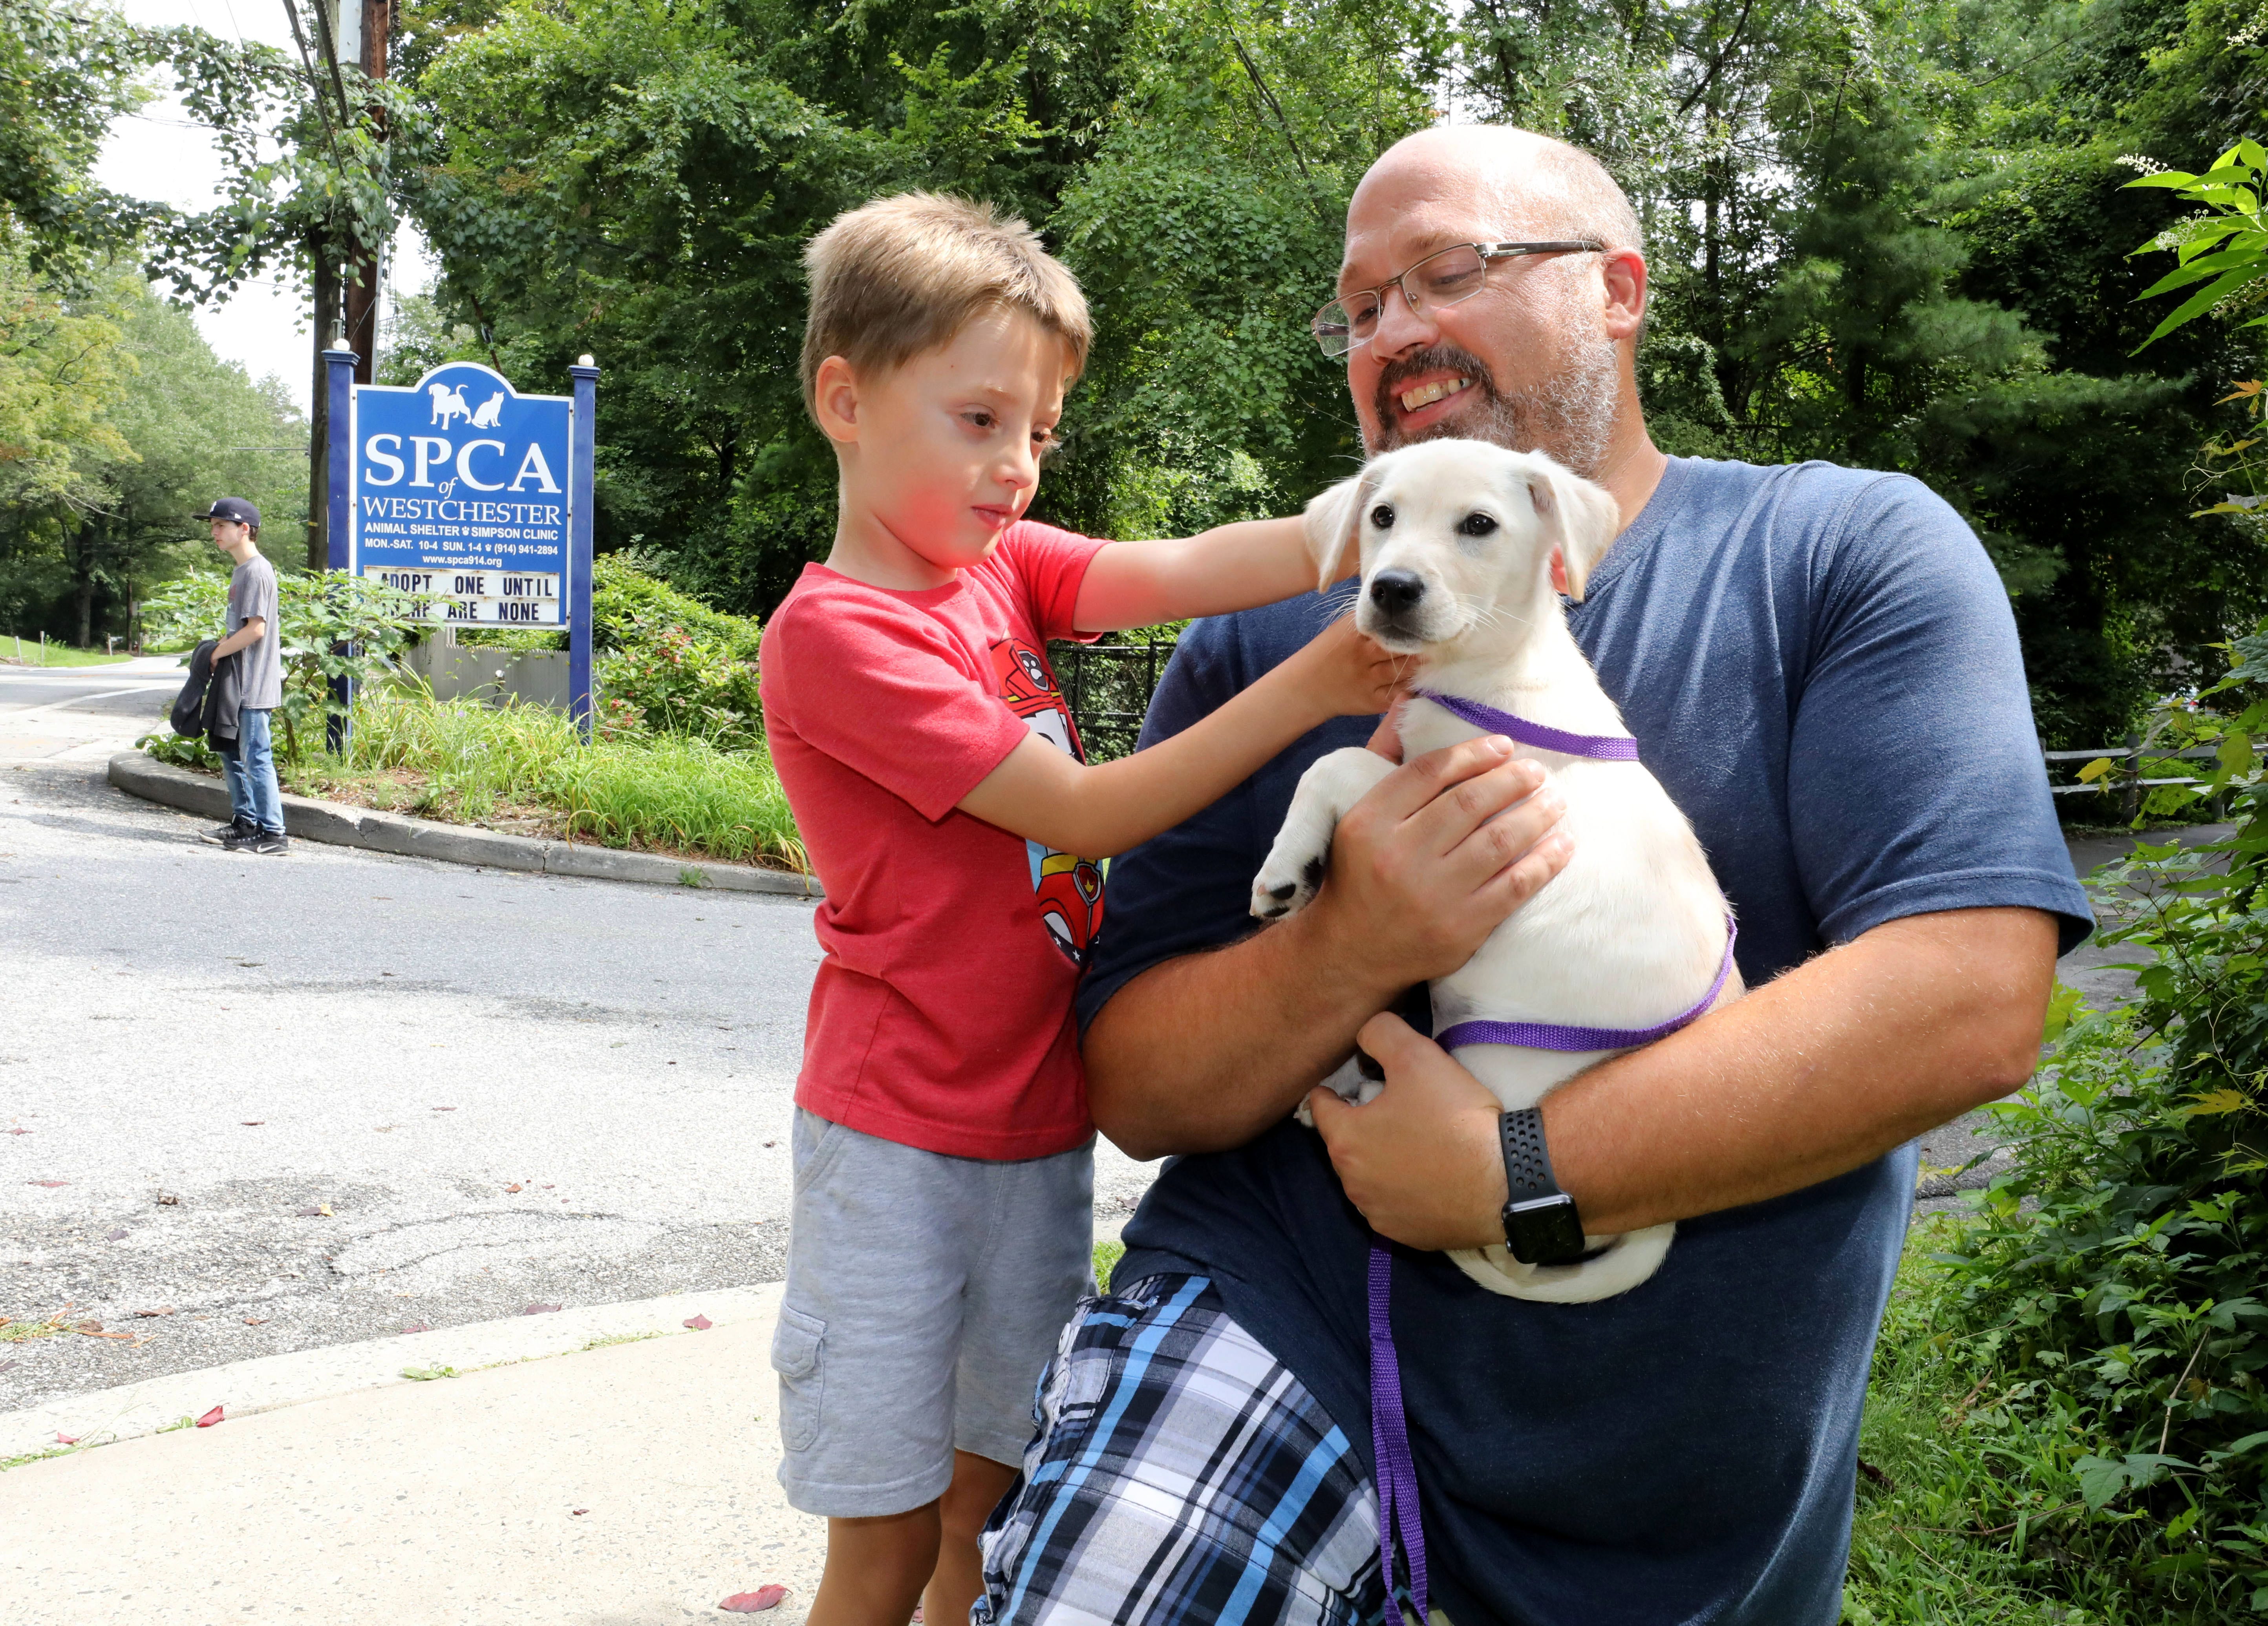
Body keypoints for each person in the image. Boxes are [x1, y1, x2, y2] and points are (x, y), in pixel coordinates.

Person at [973, 127, 2096, 1626]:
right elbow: (1139, 1083)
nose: (1393, 330)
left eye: (1448, 271)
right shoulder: (1276, 638)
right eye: (1357, 308)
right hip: (1276, 1341)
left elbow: (1969, 995)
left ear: (1618, 290)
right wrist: (1351, 940)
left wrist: (1512, 1171)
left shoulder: (1838, 554)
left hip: (1670, 1509)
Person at [755, 192, 1407, 1626]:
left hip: (1034, 1123)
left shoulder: (998, 568)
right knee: (885, 1533)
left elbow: (1175, 570)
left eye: (1040, 432)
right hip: (897, 1137)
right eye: (980, 420)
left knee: (988, 1505)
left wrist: (1371, 521)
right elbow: (1089, 812)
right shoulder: (841, 636)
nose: (1017, 465)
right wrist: (1311, 682)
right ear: (845, 401)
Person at [199, 498, 287, 857]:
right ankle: (246, 824)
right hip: (237, 682)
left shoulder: (256, 571)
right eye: (213, 526)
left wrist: (216, 653)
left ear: (245, 529)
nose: (214, 533)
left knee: (256, 756)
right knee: (231, 753)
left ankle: (274, 834)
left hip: (253, 684)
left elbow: (256, 630)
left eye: (221, 526)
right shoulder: (242, 571)